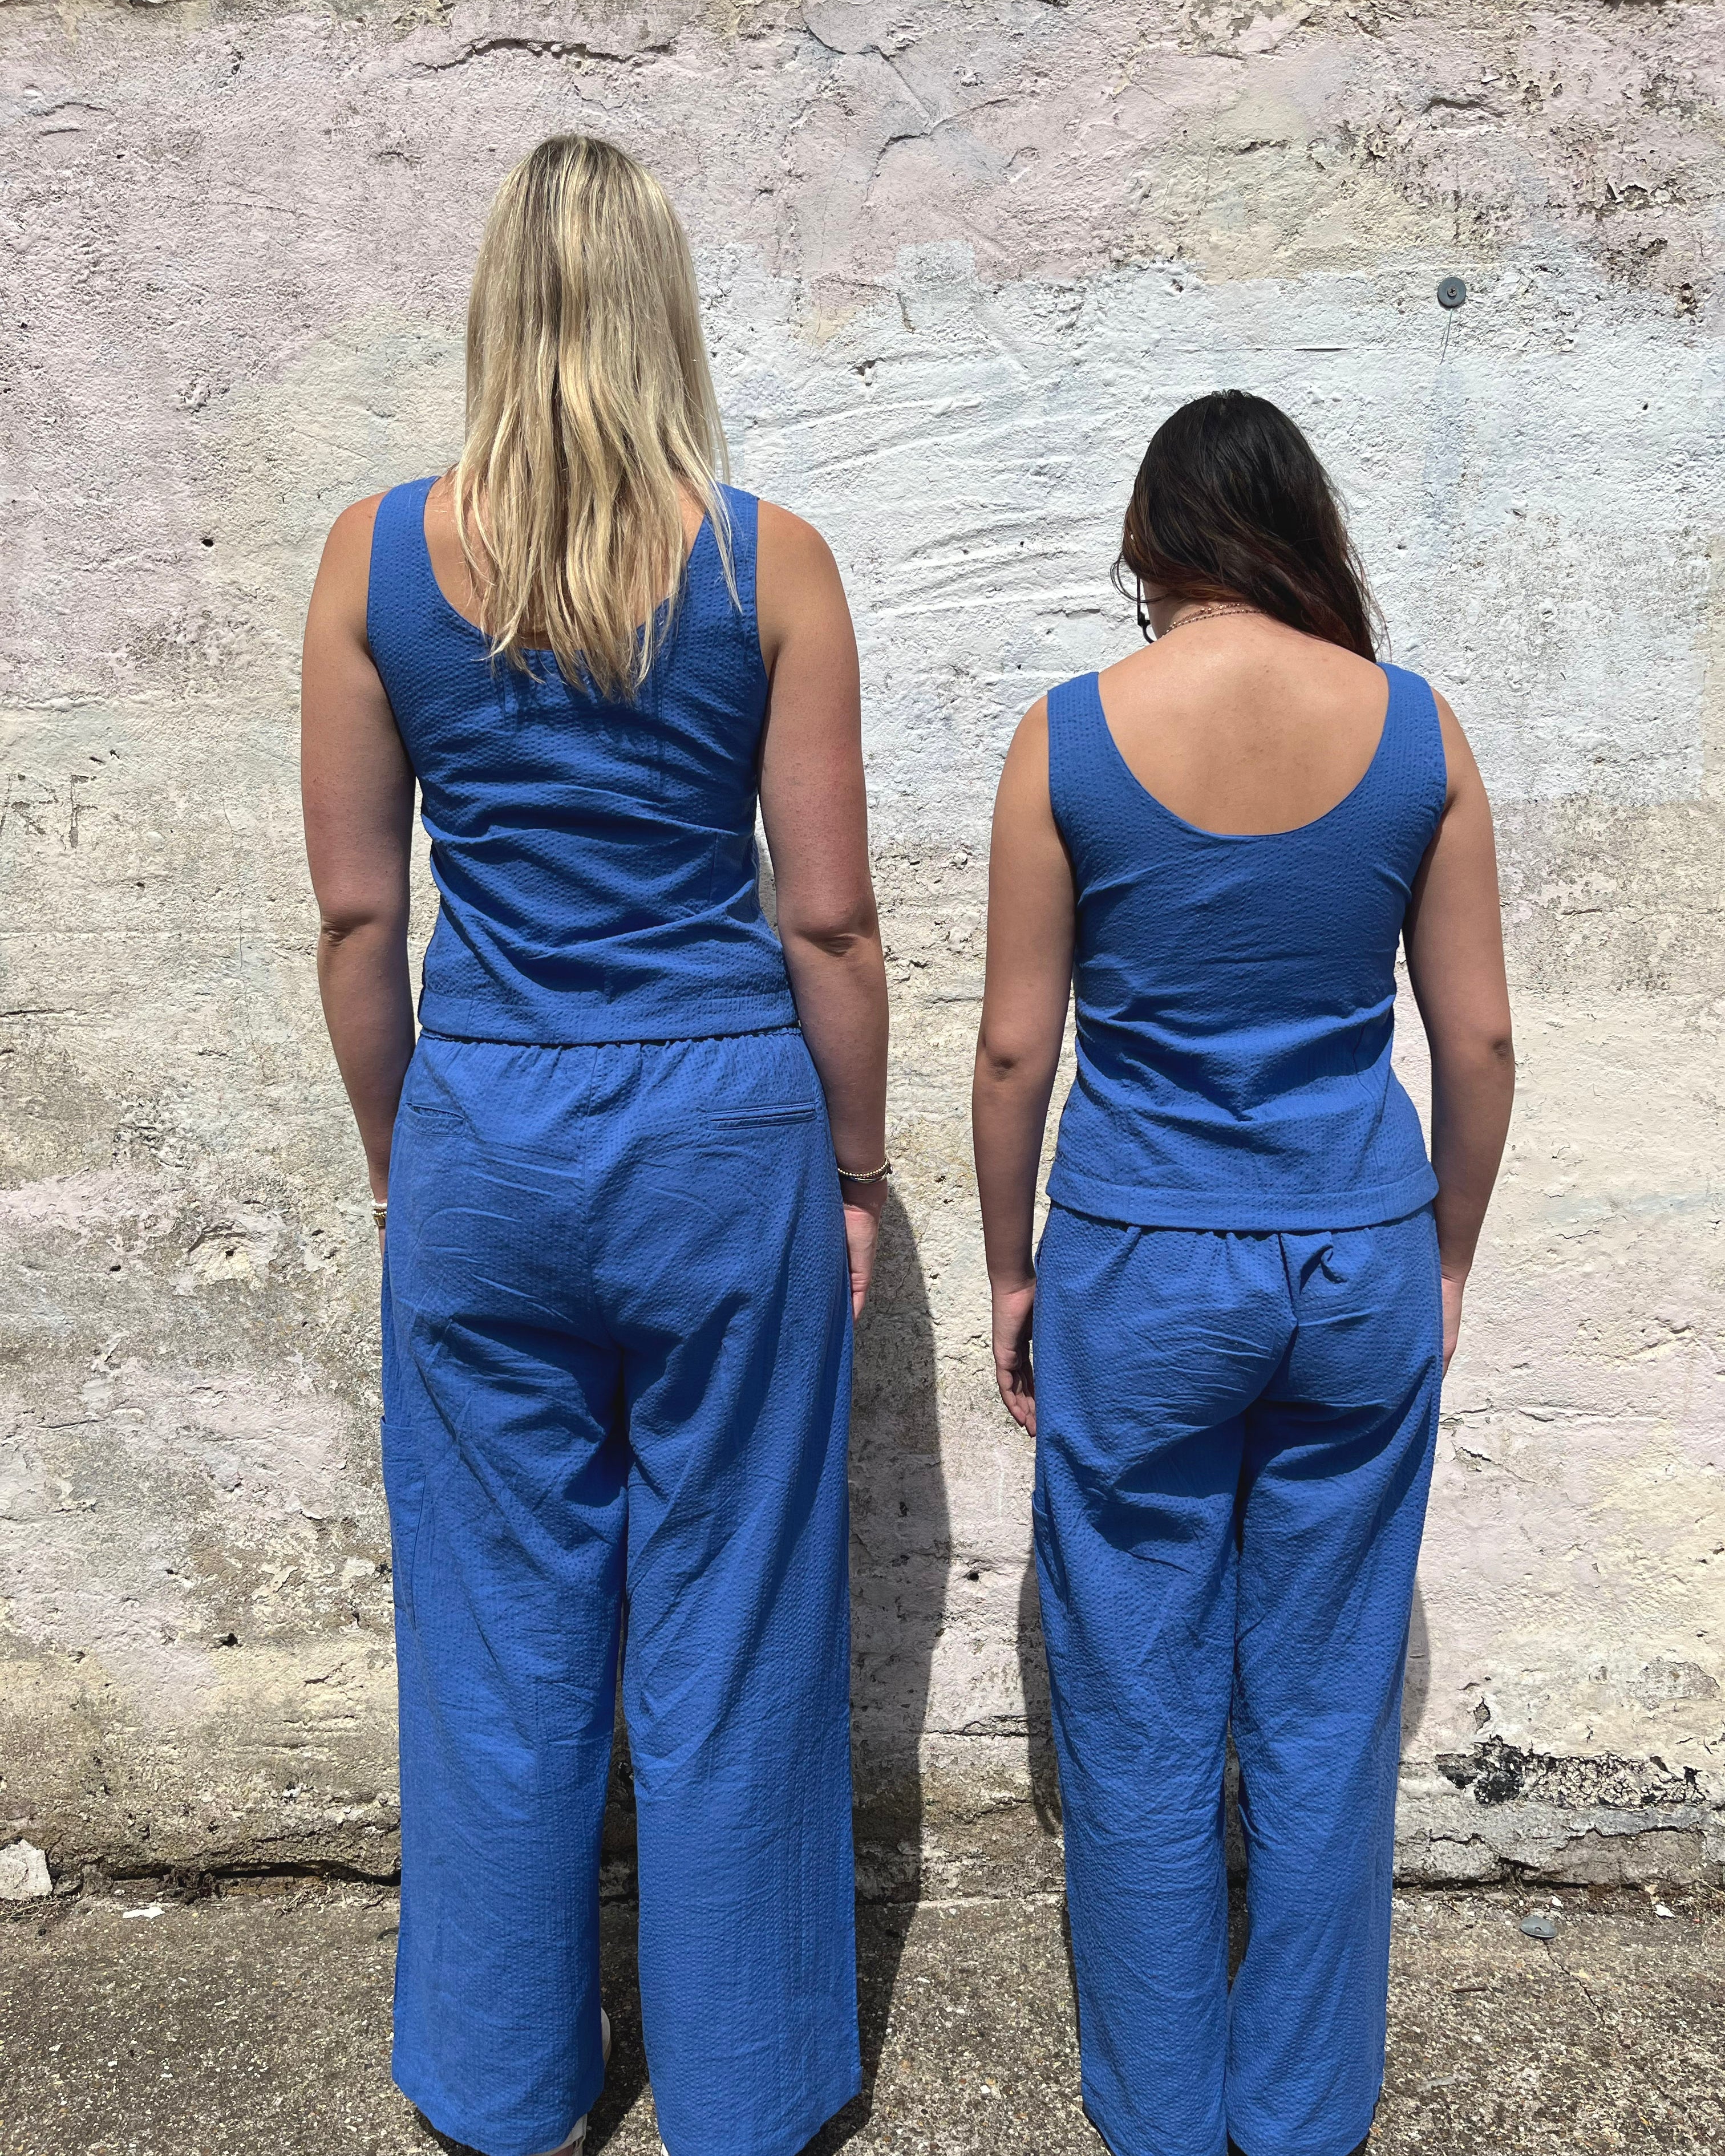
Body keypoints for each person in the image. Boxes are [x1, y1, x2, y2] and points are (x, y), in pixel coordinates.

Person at [300, 135, 888, 2156]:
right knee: (732, 1617)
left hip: (487, 1118)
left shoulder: (375, 559)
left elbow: (363, 920)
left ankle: (504, 2082)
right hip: (724, 1127)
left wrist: (406, 1156)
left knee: (498, 1623)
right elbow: (825, 918)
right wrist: (858, 1168)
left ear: (493, 308)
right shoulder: (771, 561)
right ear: (666, 310)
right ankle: (742, 2092)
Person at [972, 390, 1513, 2156]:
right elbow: (1482, 1041)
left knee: (1135, 1703)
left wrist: (1003, 1271)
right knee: (1326, 1700)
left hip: (1138, 1261)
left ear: (1153, 546)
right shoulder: (1420, 734)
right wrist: (1441, 1252)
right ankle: (1298, 2114)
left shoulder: (1065, 741)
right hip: (1354, 1254)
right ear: (1302, 533)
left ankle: (1156, 2110)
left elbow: (1008, 1054)